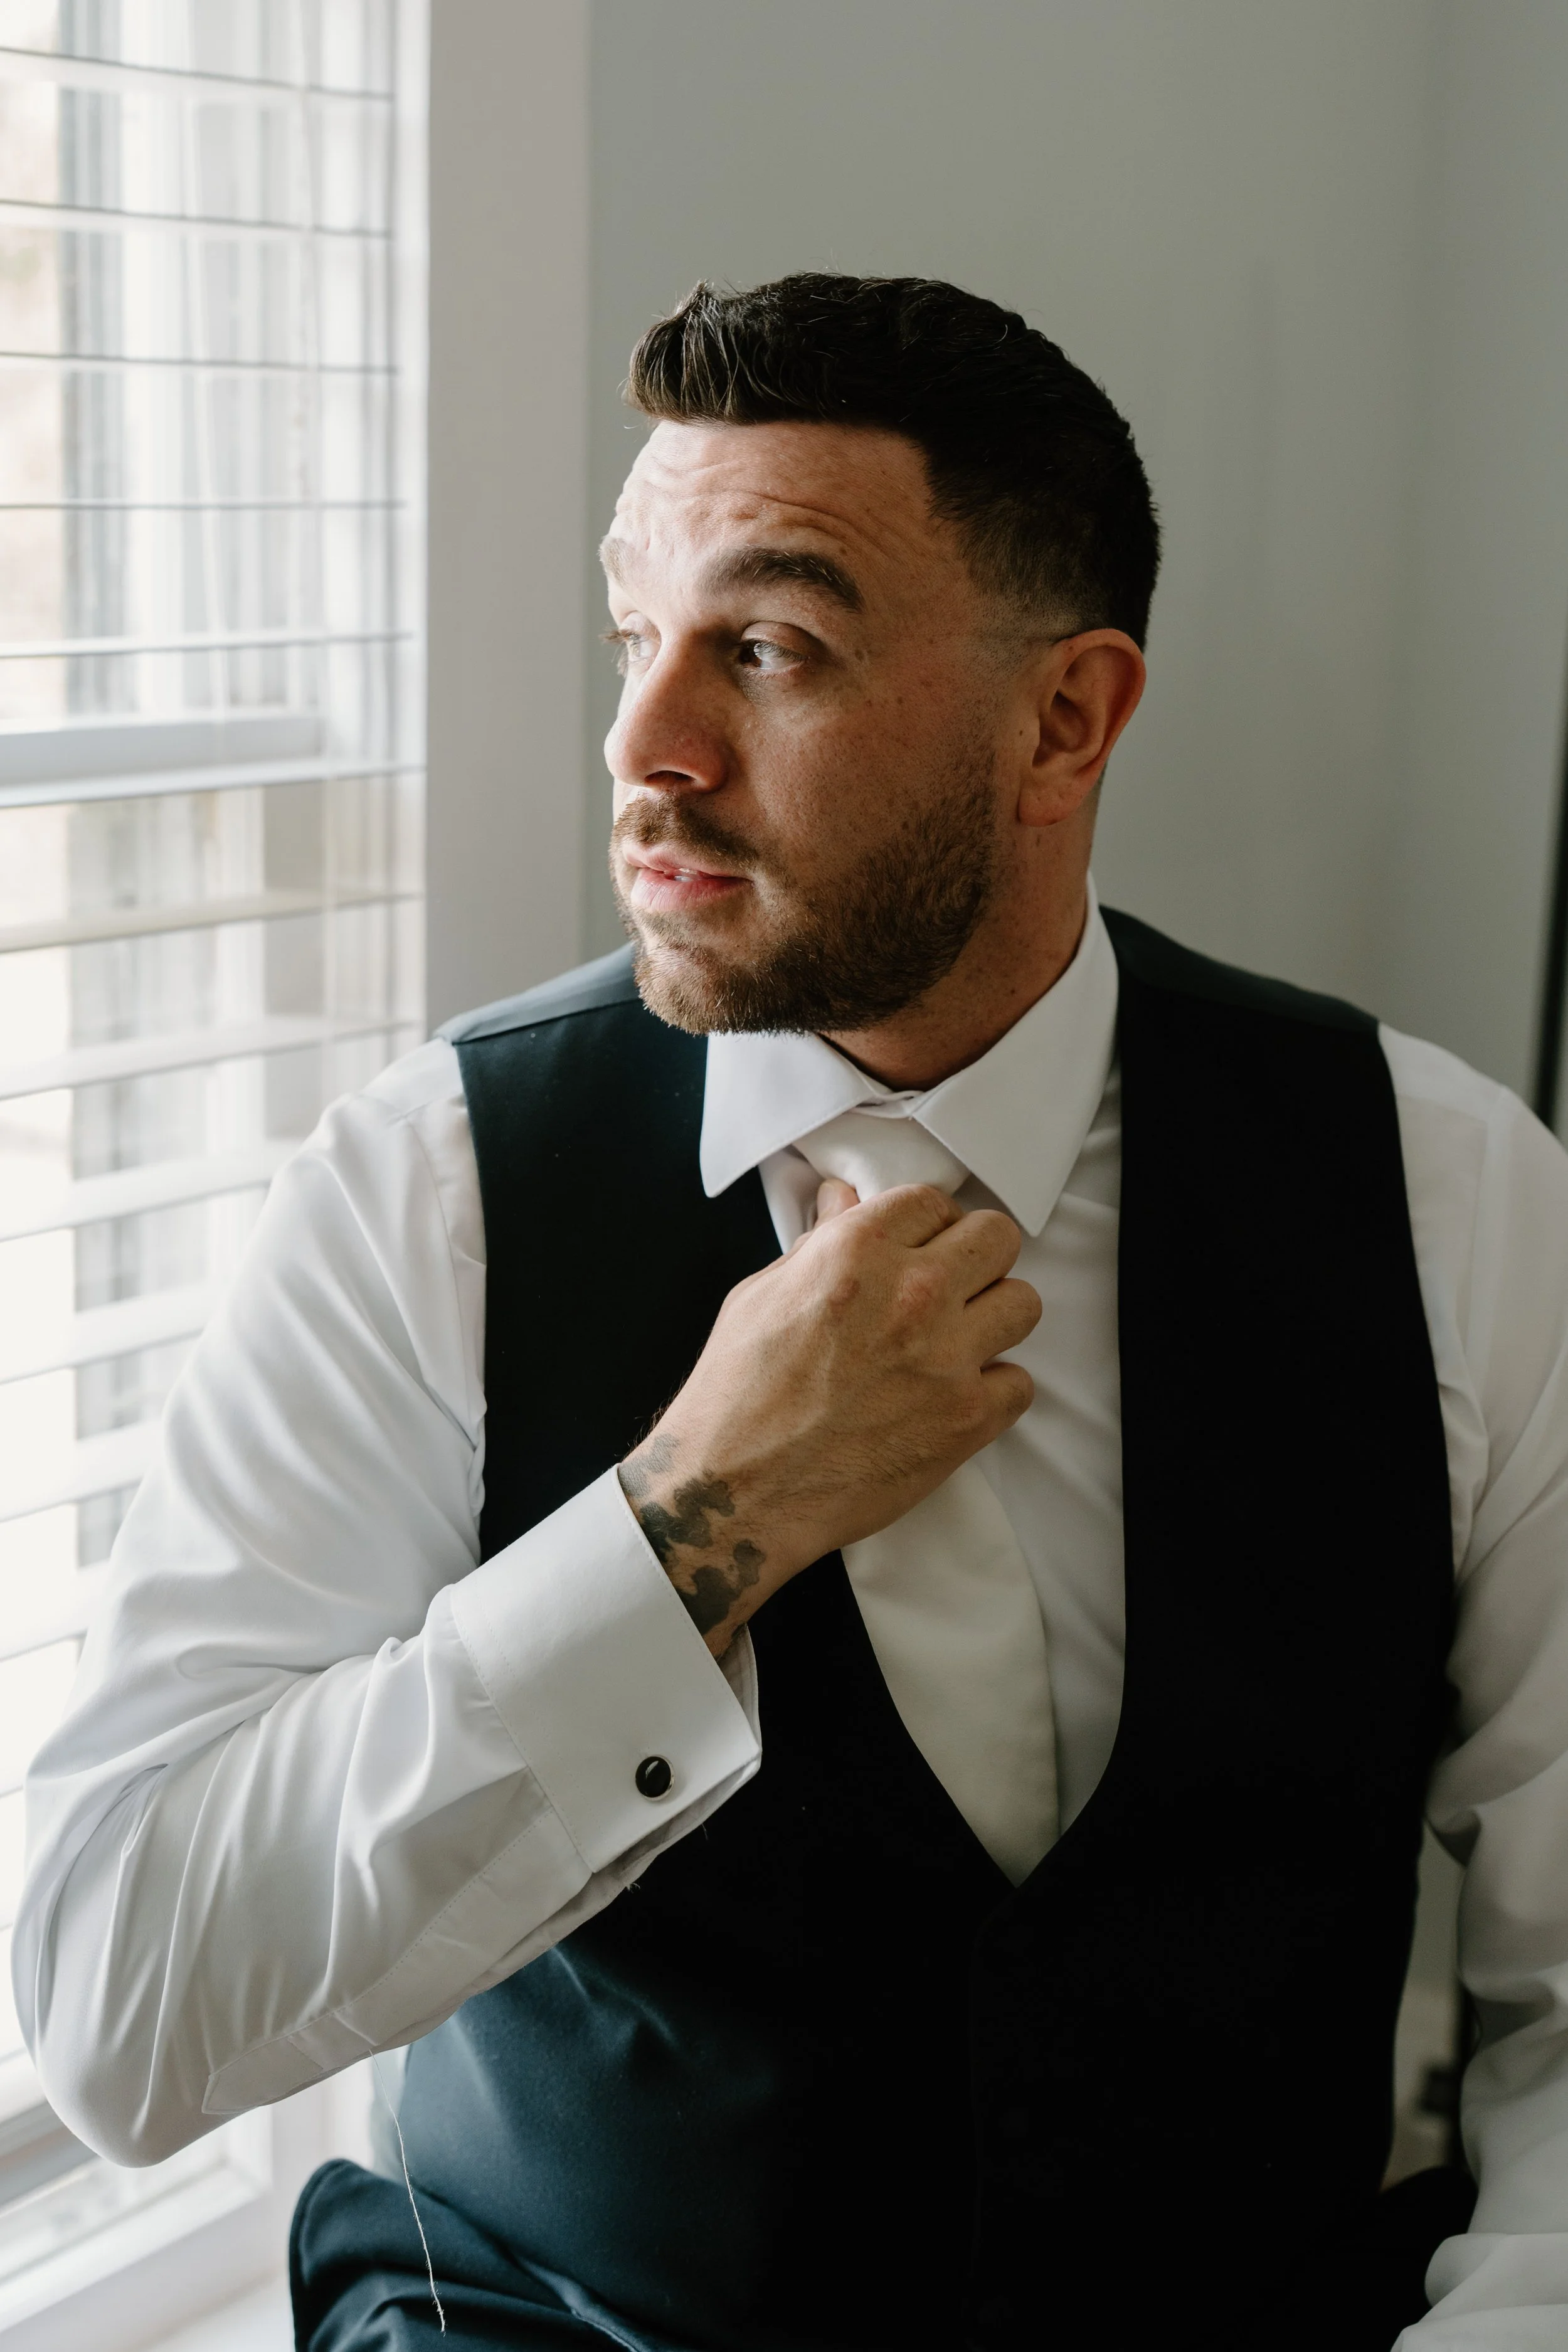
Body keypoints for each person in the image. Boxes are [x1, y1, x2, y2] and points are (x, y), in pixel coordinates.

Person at [15, 273, 1568, 2352]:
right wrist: (684, 1524)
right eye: (632, 635)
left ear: (1065, 720)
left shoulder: (1448, 1199)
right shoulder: (426, 1195)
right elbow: (121, 2005)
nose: (642, 745)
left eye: (764, 647)